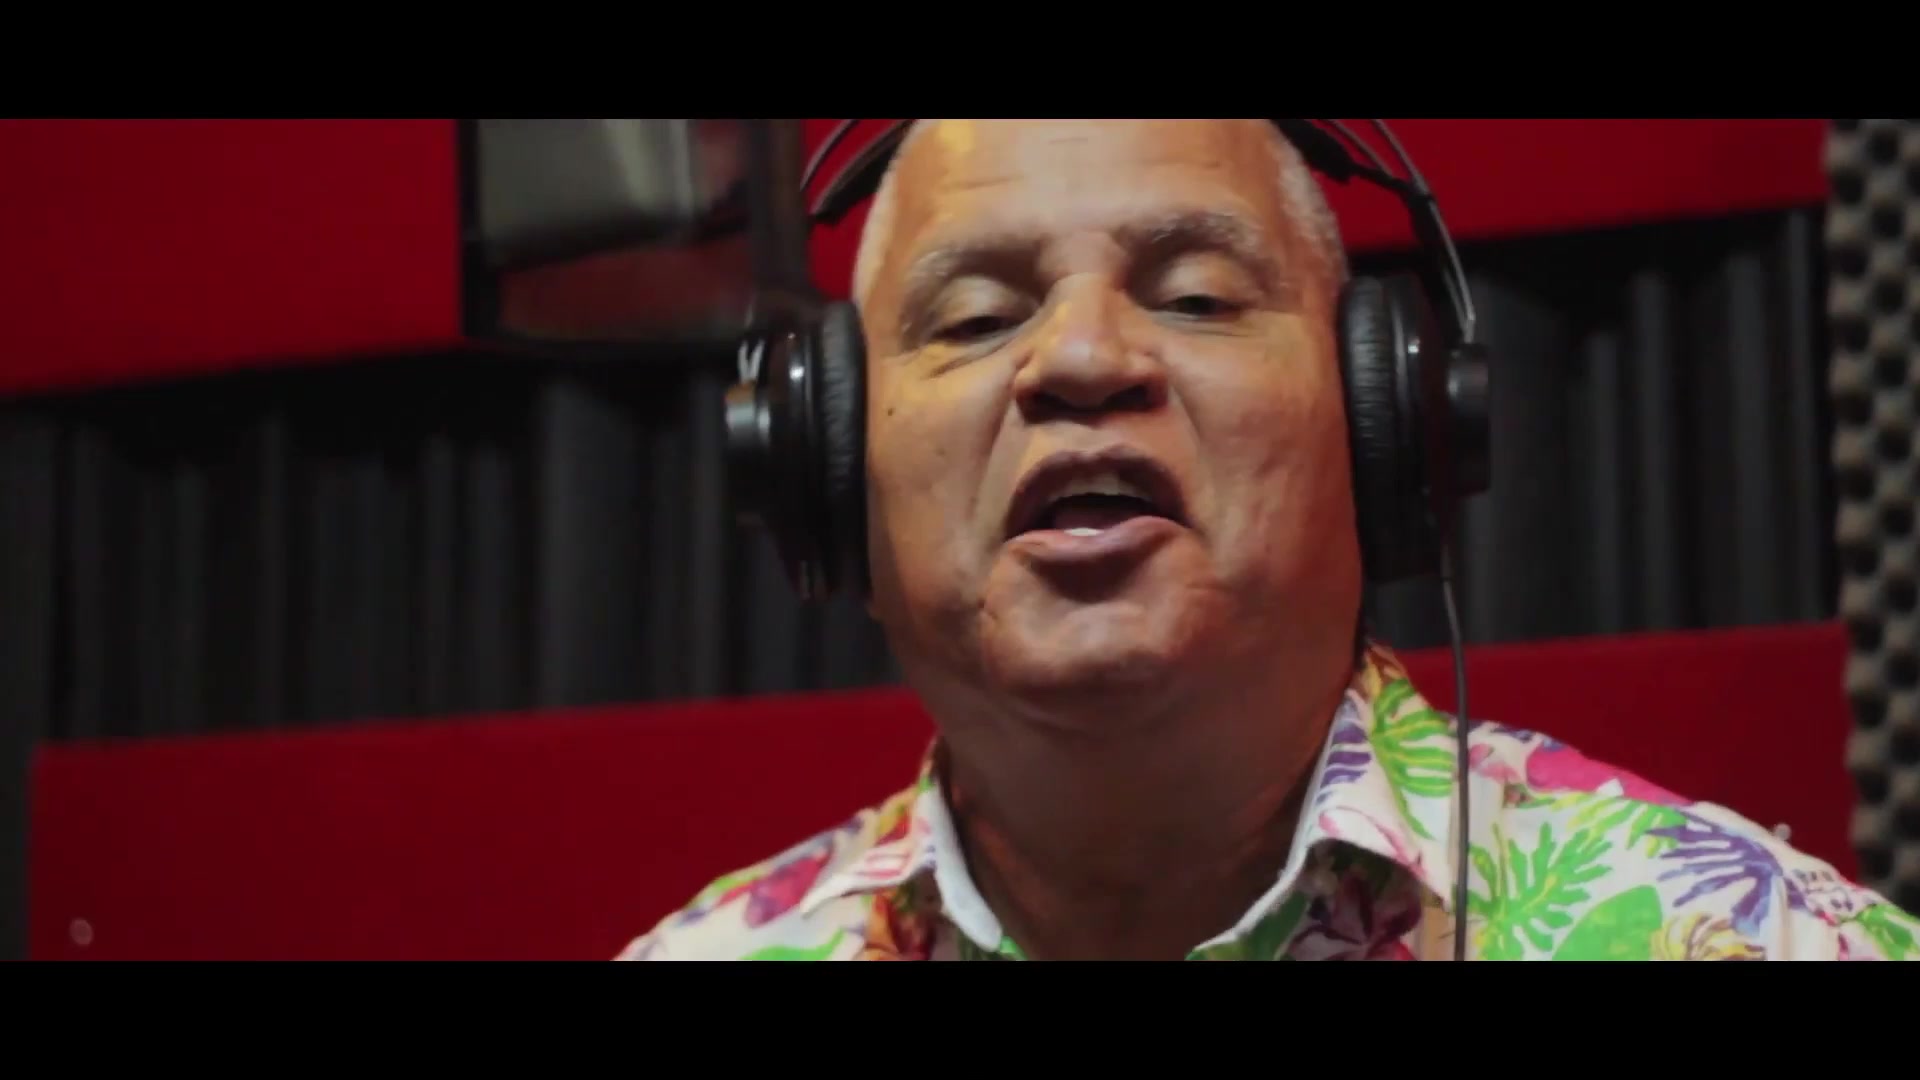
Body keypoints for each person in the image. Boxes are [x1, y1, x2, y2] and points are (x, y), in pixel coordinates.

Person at [618, 119, 1919, 961]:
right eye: (972, 319)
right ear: (825, 467)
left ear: (1387, 419)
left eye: (1195, 297)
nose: (1082, 358)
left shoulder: (1748, 937)